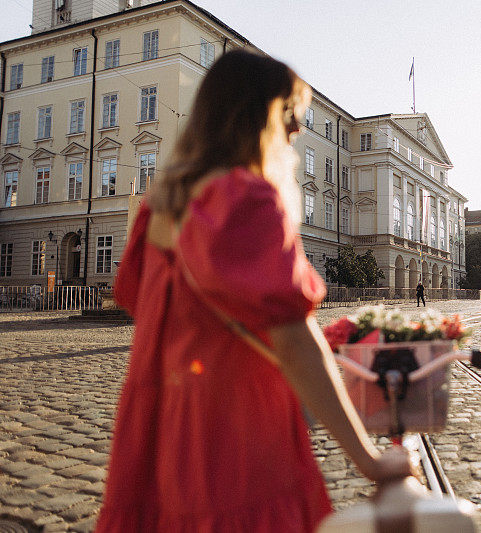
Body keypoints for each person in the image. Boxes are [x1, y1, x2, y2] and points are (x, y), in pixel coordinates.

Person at [95, 49, 411, 533]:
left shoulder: (157, 209)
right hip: (232, 436)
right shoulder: (244, 198)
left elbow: (152, 307)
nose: (298, 132)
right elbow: (293, 341)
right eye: (291, 115)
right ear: (256, 116)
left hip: (158, 434)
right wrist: (369, 461)